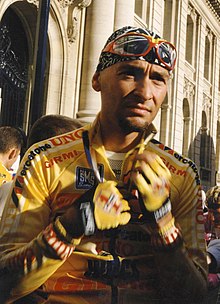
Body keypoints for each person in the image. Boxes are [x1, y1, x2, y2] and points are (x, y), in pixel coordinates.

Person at [0, 26, 207, 304]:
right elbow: (4, 284)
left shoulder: (182, 174)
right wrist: (71, 226)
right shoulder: (45, 159)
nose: (145, 92)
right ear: (97, 79)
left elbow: (195, 297)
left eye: (158, 79)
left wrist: (164, 221)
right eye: (129, 74)